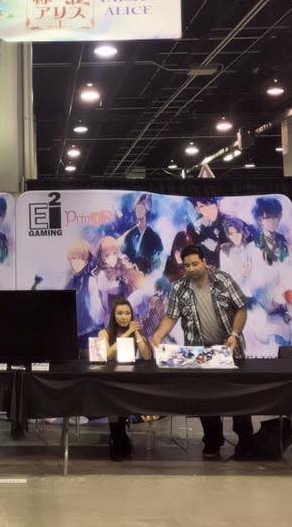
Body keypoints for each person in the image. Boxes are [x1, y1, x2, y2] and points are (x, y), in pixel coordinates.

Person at [151, 245, 253, 459]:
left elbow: (241, 308)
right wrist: (159, 334)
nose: (191, 268)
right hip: (199, 353)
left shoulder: (223, 280)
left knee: (239, 397)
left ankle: (246, 440)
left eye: (195, 263)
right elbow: (170, 317)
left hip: (230, 349)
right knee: (205, 398)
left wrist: (234, 334)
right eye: (186, 265)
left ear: (204, 262)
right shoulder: (179, 287)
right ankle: (213, 440)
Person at [98, 297, 152, 461]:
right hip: (109, 380)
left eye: (127, 313)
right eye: (120, 313)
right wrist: (127, 333)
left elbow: (146, 356)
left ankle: (119, 435)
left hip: (128, 379)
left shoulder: (135, 332)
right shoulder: (104, 333)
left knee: (125, 396)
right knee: (112, 397)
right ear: (113, 315)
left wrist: (135, 333)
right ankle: (116, 436)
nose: (124, 317)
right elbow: (106, 355)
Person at [122, 193, 164, 274]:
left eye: (141, 207)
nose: (138, 210)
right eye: (137, 208)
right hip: (132, 275)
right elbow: (125, 256)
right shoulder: (129, 235)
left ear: (147, 210)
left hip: (148, 276)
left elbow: (158, 261)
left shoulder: (154, 237)